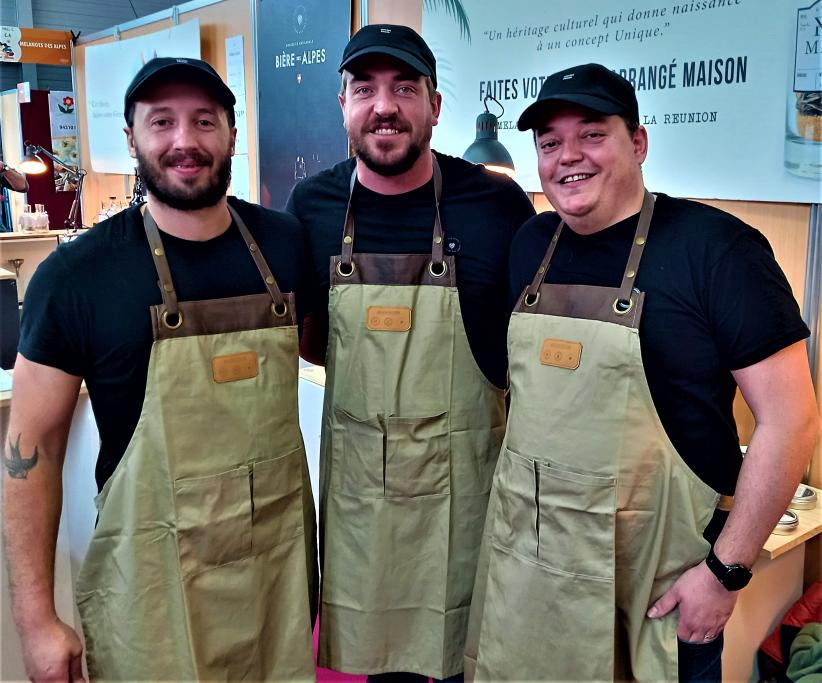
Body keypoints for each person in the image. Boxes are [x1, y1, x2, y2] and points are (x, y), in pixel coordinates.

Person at [465, 63, 820, 682]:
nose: (568, 156)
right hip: (532, 575)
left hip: (658, 586)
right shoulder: (530, 245)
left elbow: (792, 420)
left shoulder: (717, 249)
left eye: (592, 134)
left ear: (639, 142)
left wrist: (726, 573)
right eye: (549, 142)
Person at [3, 57, 318, 682]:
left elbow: (321, 350)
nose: (184, 141)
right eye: (162, 122)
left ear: (231, 134)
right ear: (131, 138)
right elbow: (31, 450)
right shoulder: (77, 276)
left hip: (274, 580)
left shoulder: (285, 245)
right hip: (153, 586)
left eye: (204, 121)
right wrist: (36, 621)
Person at [287, 24, 535, 682]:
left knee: (472, 660)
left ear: (435, 105)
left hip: (468, 493)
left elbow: (528, 346)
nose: (384, 106)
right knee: (386, 664)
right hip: (363, 502)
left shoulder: (497, 204)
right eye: (364, 89)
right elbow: (310, 339)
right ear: (342, 104)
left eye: (404, 88)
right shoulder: (310, 207)